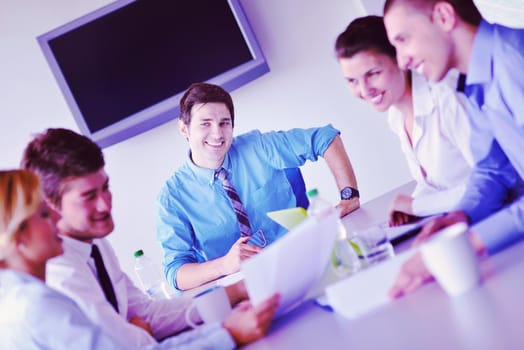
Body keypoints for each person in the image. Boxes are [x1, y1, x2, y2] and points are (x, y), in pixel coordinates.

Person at [20, 128, 280, 348]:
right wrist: (228, 334)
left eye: (105, 188)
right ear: (50, 206)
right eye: (89, 197)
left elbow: (148, 315)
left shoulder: (94, 243)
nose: (104, 205)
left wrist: (235, 291)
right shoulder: (59, 271)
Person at [157, 82, 360, 290]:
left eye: (224, 123)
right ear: (184, 128)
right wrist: (223, 265)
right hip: (245, 289)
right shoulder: (173, 197)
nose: (217, 134)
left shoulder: (258, 147)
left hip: (304, 260)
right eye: (205, 124)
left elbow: (324, 138)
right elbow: (175, 272)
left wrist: (349, 196)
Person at [382, 0, 524, 297]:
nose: (402, 60)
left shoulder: (514, 61)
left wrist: (466, 245)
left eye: (402, 40)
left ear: (444, 16)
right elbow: (494, 169)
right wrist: (460, 217)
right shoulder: (475, 79)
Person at [334, 15, 474, 226]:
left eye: (373, 73)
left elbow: (490, 184)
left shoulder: (447, 97)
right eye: (352, 81)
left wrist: (416, 206)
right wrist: (411, 203)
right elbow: (433, 183)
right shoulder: (397, 115)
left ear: (400, 59)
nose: (364, 90)